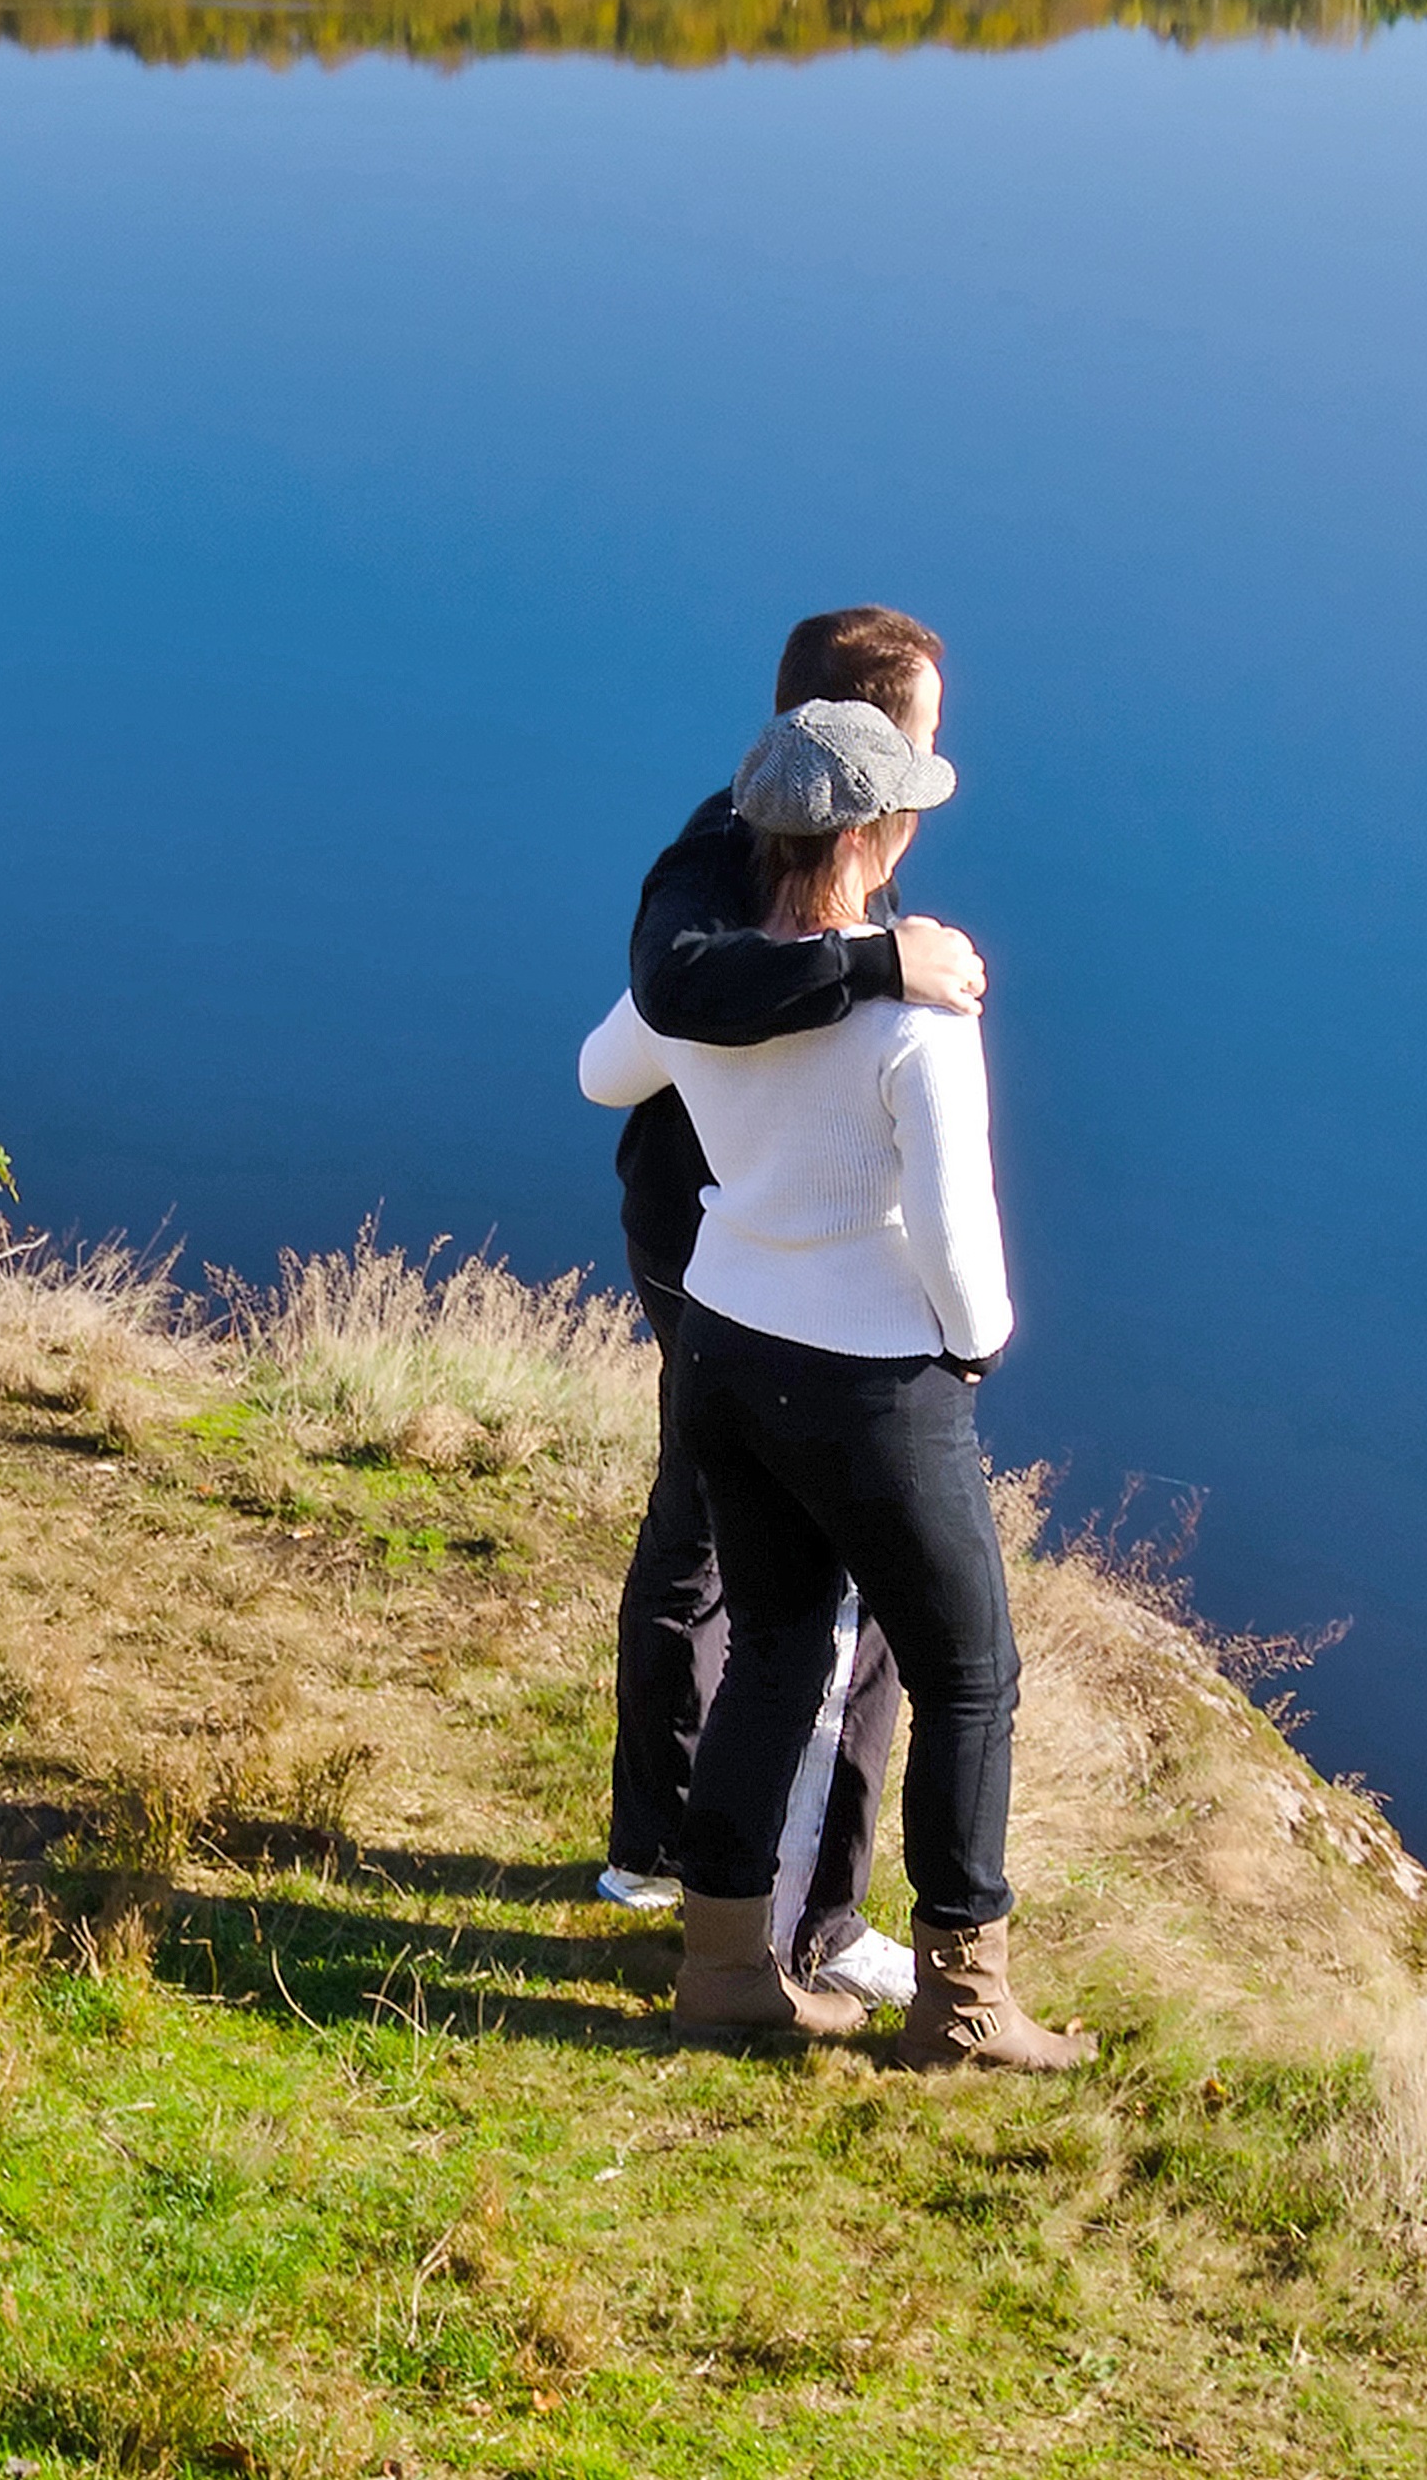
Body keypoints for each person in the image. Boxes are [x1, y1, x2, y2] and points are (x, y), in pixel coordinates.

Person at [581, 696, 1092, 2074]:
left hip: (726, 1344)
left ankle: (726, 1972)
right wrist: (974, 1342)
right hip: (869, 1382)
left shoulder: (702, 981)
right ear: (875, 835)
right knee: (969, 1678)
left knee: (770, 1650)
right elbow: (951, 1220)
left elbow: (600, 1069)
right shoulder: (917, 1014)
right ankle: (964, 2003)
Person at [597, 609, 982, 2012]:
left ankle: (708, 1864)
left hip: (746, 1247)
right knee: (778, 1577)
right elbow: (674, 988)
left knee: (727, 1548)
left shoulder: (778, 834)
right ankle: (719, 1868)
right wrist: (881, 969)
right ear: (872, 744)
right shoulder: (721, 847)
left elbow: (613, 1050)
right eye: (927, 738)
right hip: (730, 1250)